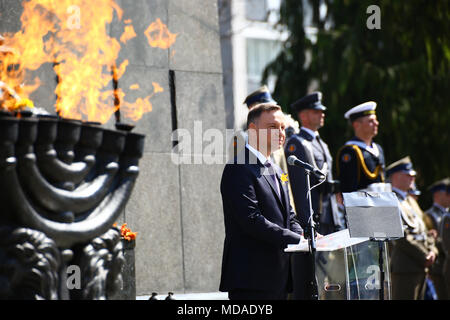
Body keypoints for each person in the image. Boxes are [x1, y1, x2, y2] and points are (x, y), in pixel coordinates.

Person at [219, 103, 304, 300]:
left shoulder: (277, 170)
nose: (281, 133)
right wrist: (298, 240)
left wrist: (307, 238)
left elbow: (289, 215)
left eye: (283, 127)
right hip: (251, 279)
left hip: (278, 277)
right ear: (253, 130)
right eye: (273, 127)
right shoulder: (238, 168)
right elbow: (251, 220)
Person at [387, 156, 438, 300]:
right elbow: (400, 234)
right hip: (405, 267)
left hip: (420, 265)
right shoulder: (391, 200)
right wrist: (424, 255)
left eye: (413, 175)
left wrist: (432, 251)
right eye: (408, 175)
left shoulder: (410, 200)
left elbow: (425, 230)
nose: (412, 178)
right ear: (396, 176)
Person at [336, 101, 387, 193]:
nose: (376, 123)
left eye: (375, 120)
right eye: (371, 121)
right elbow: (348, 187)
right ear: (356, 125)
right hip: (362, 205)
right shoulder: (350, 151)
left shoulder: (378, 149)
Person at [424, 178, 450, 299]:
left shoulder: (446, 213)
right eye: (447, 193)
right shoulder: (429, 215)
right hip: (438, 268)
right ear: (437, 194)